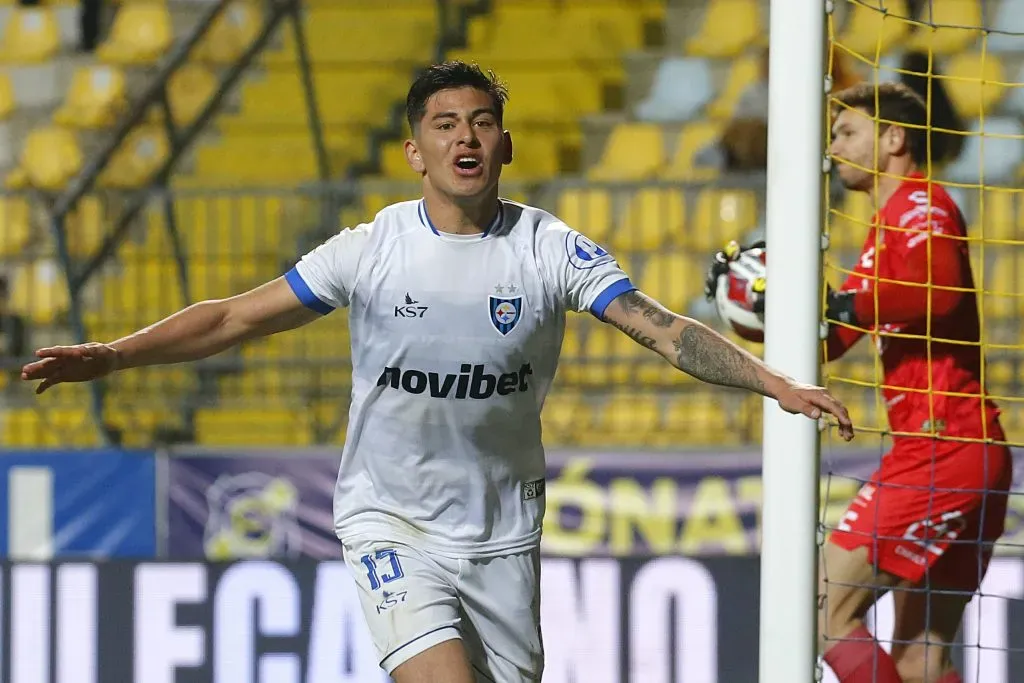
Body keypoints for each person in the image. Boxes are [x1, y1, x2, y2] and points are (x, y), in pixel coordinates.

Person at [21, 61, 854, 683]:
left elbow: (664, 331)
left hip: (502, 535)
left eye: (483, 121)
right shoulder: (372, 249)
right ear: (415, 151)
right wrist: (118, 353)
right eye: (446, 123)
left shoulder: (550, 249)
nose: (466, 137)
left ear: (506, 143)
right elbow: (237, 314)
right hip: (392, 524)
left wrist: (771, 379)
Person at [708, 82, 1010, 683]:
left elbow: (939, 287)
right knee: (922, 659)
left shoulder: (921, 206)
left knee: (819, 607)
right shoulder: (882, 232)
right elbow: (830, 342)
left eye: (847, 132)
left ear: (893, 138)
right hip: (967, 452)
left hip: (941, 448)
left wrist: (843, 305)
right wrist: (750, 306)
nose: (834, 145)